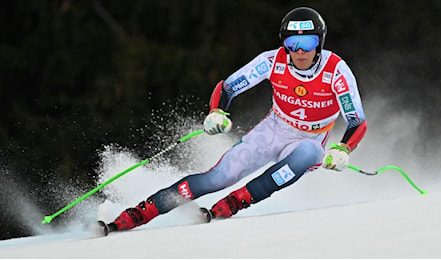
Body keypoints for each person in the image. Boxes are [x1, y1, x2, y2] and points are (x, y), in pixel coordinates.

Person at [105, 7, 367, 232]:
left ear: (319, 43)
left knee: (309, 153)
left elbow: (356, 121)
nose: (299, 52)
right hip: (274, 130)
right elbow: (228, 87)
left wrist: (343, 148)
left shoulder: (336, 71)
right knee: (217, 178)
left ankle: (238, 200)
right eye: (291, 44)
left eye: (308, 44)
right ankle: (144, 211)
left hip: (309, 139)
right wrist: (216, 112)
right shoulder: (271, 61)